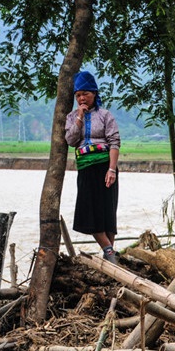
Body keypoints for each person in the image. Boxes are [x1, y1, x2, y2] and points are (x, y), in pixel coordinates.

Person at [65, 70, 121, 263]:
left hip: (106, 167)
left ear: (94, 94)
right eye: (78, 95)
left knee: (107, 210)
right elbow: (71, 140)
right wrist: (79, 117)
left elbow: (114, 142)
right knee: (88, 210)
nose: (82, 98)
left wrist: (111, 169)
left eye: (85, 94)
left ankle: (109, 255)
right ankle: (109, 250)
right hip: (86, 168)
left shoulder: (105, 115)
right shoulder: (72, 117)